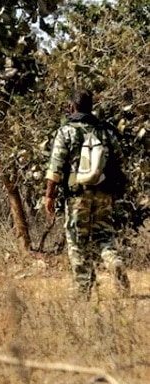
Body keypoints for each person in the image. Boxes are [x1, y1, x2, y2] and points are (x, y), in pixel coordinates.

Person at [44, 89, 129, 300]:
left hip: (77, 195)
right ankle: (113, 261)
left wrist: (49, 195)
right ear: (91, 107)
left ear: (72, 107)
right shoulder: (106, 131)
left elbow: (55, 168)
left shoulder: (66, 132)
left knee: (76, 240)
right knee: (104, 235)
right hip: (103, 194)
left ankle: (84, 289)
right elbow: (120, 161)